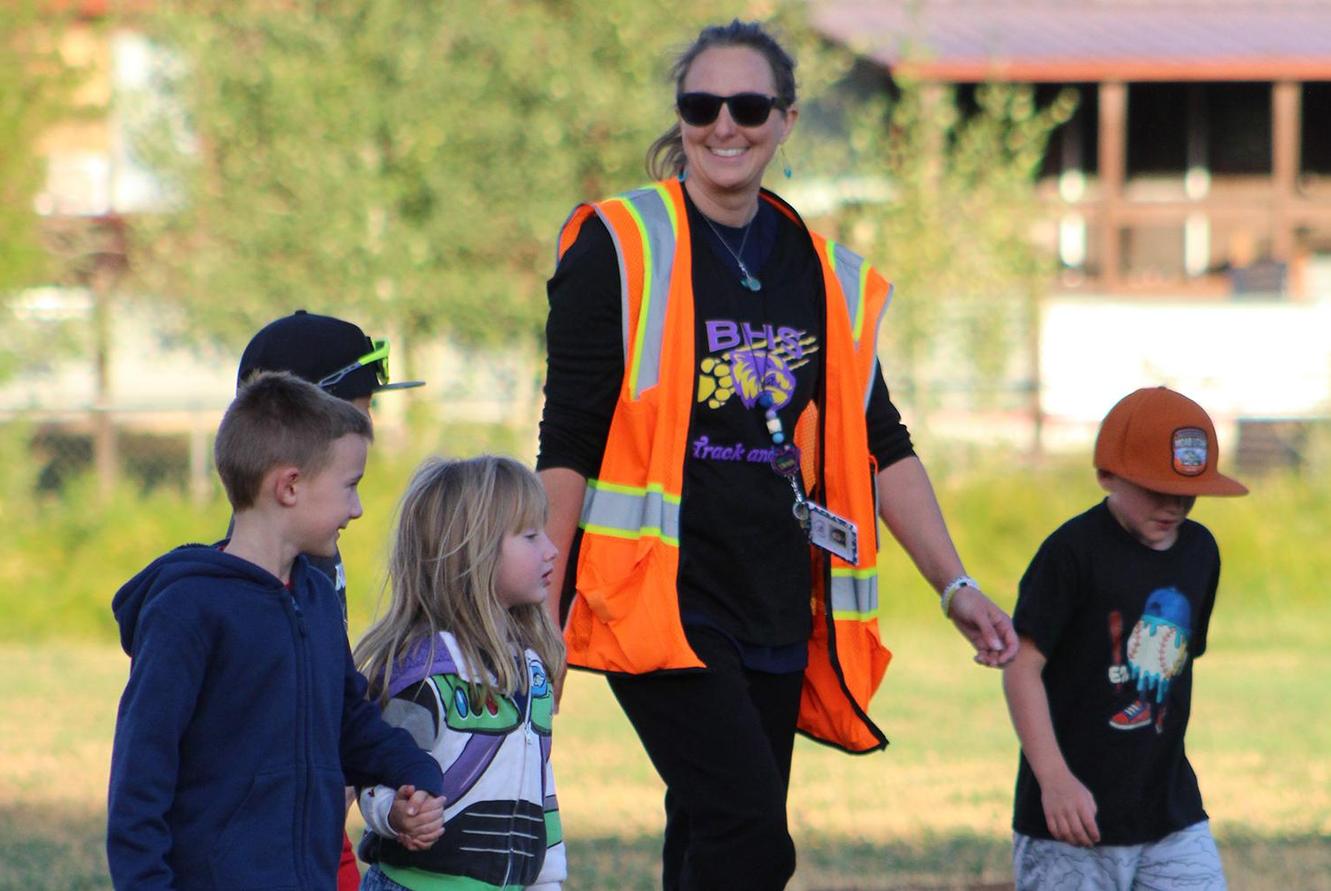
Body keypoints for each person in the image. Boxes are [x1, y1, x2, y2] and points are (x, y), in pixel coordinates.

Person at [537, 19, 1018, 889]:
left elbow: (883, 443)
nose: (724, 125)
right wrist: (537, 599)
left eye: (748, 105)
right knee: (749, 835)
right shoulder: (622, 244)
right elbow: (565, 437)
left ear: (786, 120)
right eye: (701, 104)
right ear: (680, 117)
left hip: (772, 595)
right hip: (653, 595)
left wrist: (955, 584)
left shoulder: (822, 273)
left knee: (709, 835)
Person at [107, 372, 446, 891]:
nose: (356, 509)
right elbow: (140, 776)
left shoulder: (314, 598)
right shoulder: (187, 608)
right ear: (289, 486)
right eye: (350, 486)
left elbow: (350, 722)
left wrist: (415, 775)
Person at [1002, 386, 1247, 890]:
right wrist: (1054, 780)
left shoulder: (1200, 552)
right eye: (1158, 488)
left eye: (1189, 491)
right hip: (1070, 821)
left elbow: (1175, 665)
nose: (1176, 505)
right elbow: (1021, 667)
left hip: (1168, 813)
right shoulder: (1071, 553)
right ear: (1107, 475)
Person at [237, 309, 426, 889]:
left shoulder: (318, 550)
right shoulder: (258, 578)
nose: (369, 424)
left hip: (318, 822)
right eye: (361, 409)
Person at [352, 456, 568, 890]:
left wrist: (547, 882)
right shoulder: (427, 670)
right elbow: (375, 769)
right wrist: (395, 814)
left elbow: (540, 791)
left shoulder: (529, 670)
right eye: (530, 536)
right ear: (475, 552)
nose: (552, 549)